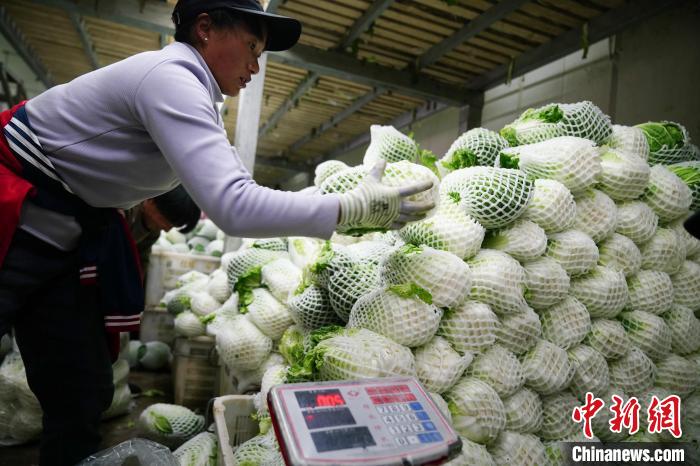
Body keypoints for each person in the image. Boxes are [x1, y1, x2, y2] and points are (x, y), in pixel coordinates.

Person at [0, 0, 434, 464]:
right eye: (251, 46)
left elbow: (236, 192)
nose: (255, 65)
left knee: (81, 388)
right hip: (17, 216)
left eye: (260, 53)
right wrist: (349, 208)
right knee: (77, 385)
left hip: (62, 239)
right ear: (204, 28)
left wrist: (345, 208)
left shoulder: (199, 97)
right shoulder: (172, 77)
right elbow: (234, 206)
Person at [124, 184, 201, 268]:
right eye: (165, 220)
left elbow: (139, 262)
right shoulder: (124, 211)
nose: (166, 229)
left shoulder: (152, 230)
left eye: (173, 225)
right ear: (151, 201)